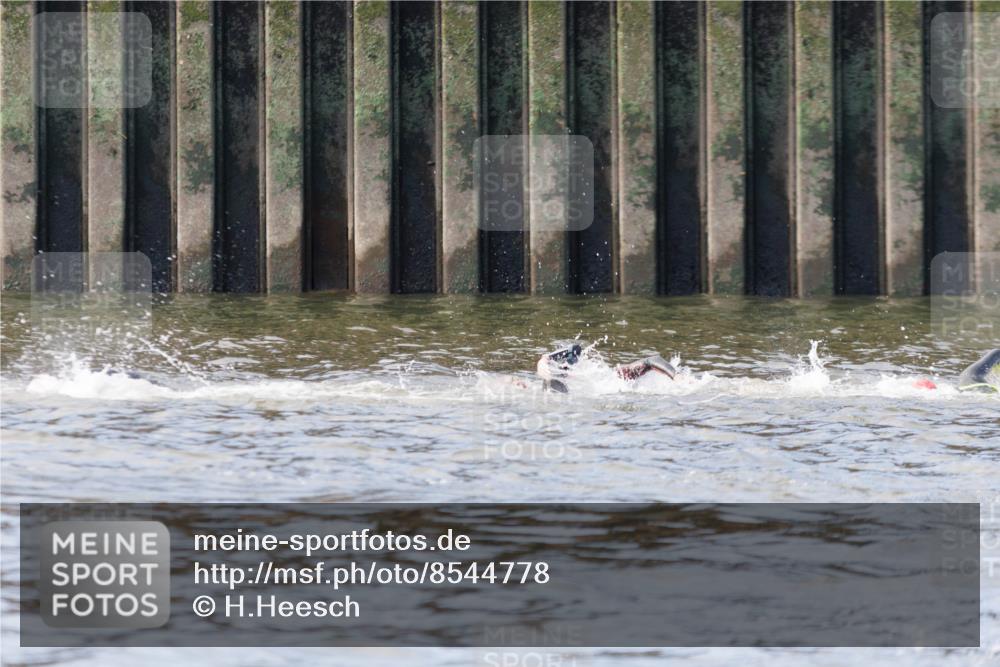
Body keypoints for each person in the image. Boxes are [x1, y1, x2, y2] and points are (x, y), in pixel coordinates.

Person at [536, 344, 676, 393]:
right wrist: (543, 361)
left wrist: (676, 377)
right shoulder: (608, 378)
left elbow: (653, 360)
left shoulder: (615, 377)